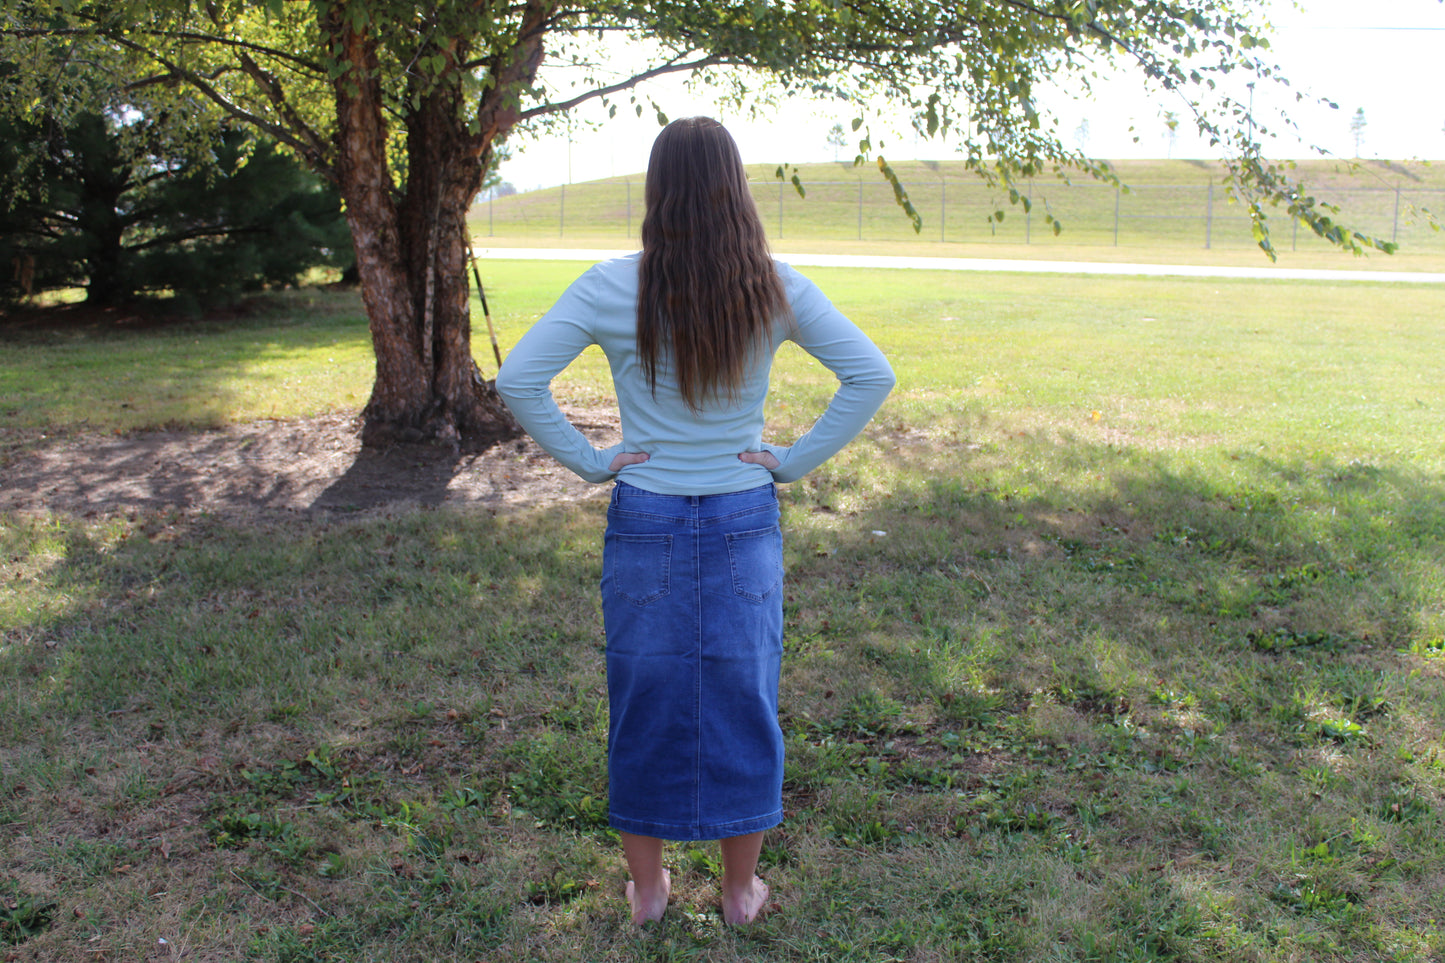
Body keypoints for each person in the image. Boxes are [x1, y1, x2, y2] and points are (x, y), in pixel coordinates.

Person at [494, 117, 894, 926]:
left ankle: (648, 893)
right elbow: (868, 374)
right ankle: (739, 894)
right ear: (734, 189)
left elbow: (518, 380)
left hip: (646, 514)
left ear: (655, 190)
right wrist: (790, 460)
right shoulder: (772, 285)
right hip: (743, 515)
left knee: (643, 691)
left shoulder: (609, 284)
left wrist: (589, 459)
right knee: (744, 690)